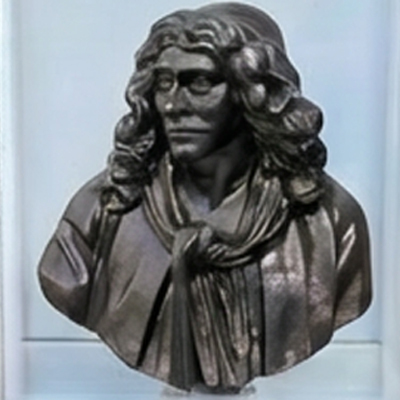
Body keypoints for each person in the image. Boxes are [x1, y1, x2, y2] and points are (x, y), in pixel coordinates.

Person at [38, 3, 372, 393]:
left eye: (199, 82)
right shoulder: (101, 212)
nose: (172, 105)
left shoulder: (331, 222)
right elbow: (62, 281)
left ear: (254, 92)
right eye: (163, 83)